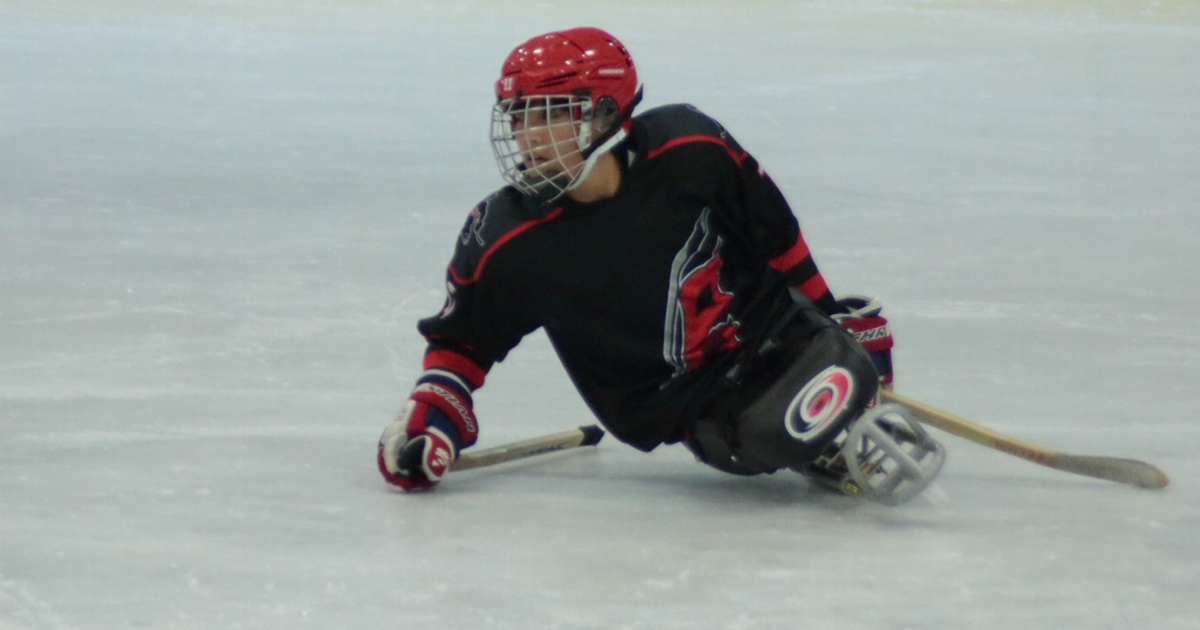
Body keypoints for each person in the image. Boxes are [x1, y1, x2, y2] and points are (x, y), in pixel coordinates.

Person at [377, 27, 945, 504]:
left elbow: (775, 236)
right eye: (518, 118)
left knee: (850, 345)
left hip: (777, 330)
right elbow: (462, 344)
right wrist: (434, 419)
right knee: (770, 426)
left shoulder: (691, 149)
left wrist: (830, 317)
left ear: (603, 116)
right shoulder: (506, 239)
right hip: (690, 401)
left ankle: (839, 390)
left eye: (546, 116)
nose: (526, 138)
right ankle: (825, 421)